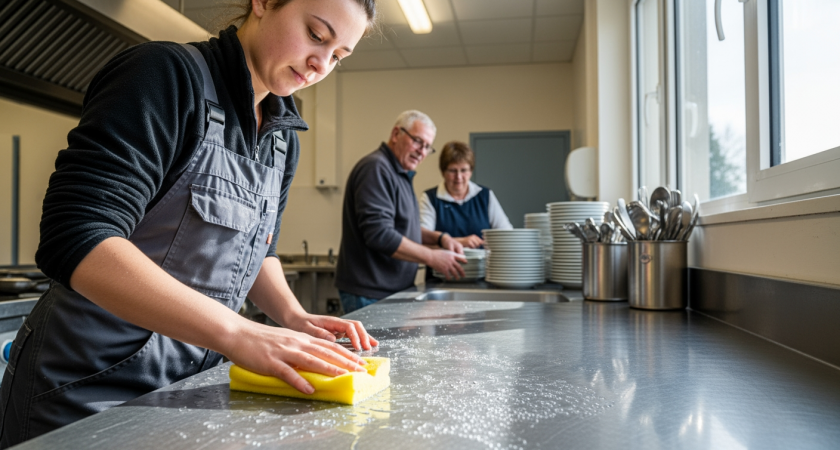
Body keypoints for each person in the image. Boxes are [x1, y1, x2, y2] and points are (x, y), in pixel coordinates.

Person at [0, 0, 380, 446]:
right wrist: (239, 333)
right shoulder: (166, 76)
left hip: (188, 389)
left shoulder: (281, 141)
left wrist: (293, 317)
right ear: (262, 3)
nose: (320, 63)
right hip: (86, 390)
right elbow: (79, 235)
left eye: (338, 56)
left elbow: (259, 250)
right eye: (316, 35)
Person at [335, 111, 467, 314]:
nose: (421, 152)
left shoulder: (400, 174)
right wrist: (432, 257)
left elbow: (405, 227)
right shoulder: (376, 168)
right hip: (369, 293)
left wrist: (441, 238)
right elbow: (380, 234)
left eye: (427, 147)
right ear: (396, 134)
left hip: (388, 291)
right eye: (417, 141)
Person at [419, 141, 513, 249]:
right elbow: (422, 241)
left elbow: (507, 235)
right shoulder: (430, 198)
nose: (458, 177)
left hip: (482, 265)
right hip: (442, 264)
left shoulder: (485, 195)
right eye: (452, 171)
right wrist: (459, 242)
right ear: (443, 171)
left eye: (464, 170)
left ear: (471, 171)